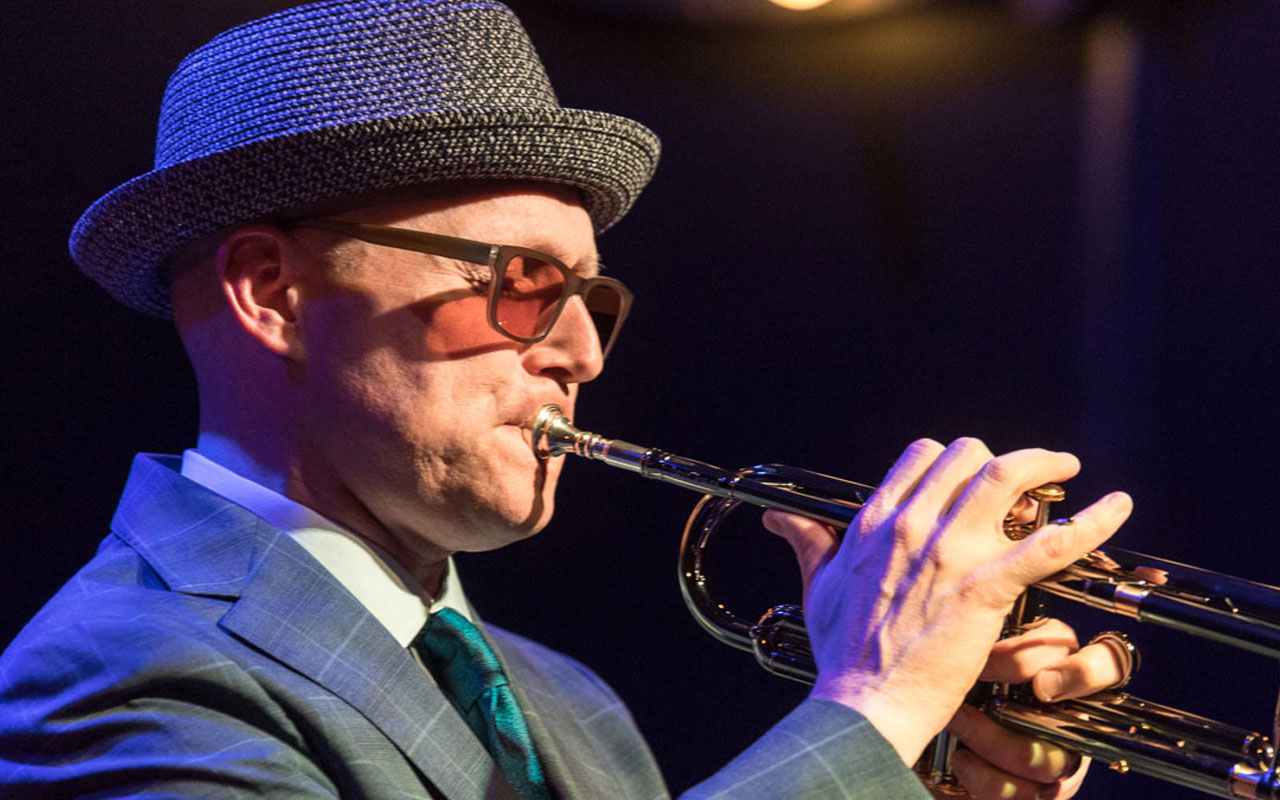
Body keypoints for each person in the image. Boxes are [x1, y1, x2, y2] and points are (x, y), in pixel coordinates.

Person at [0, 2, 1134, 798]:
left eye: (588, 295)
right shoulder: (115, 672)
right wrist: (874, 702)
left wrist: (915, 773)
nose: (582, 350)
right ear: (272, 290)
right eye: (519, 285)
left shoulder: (568, 697)